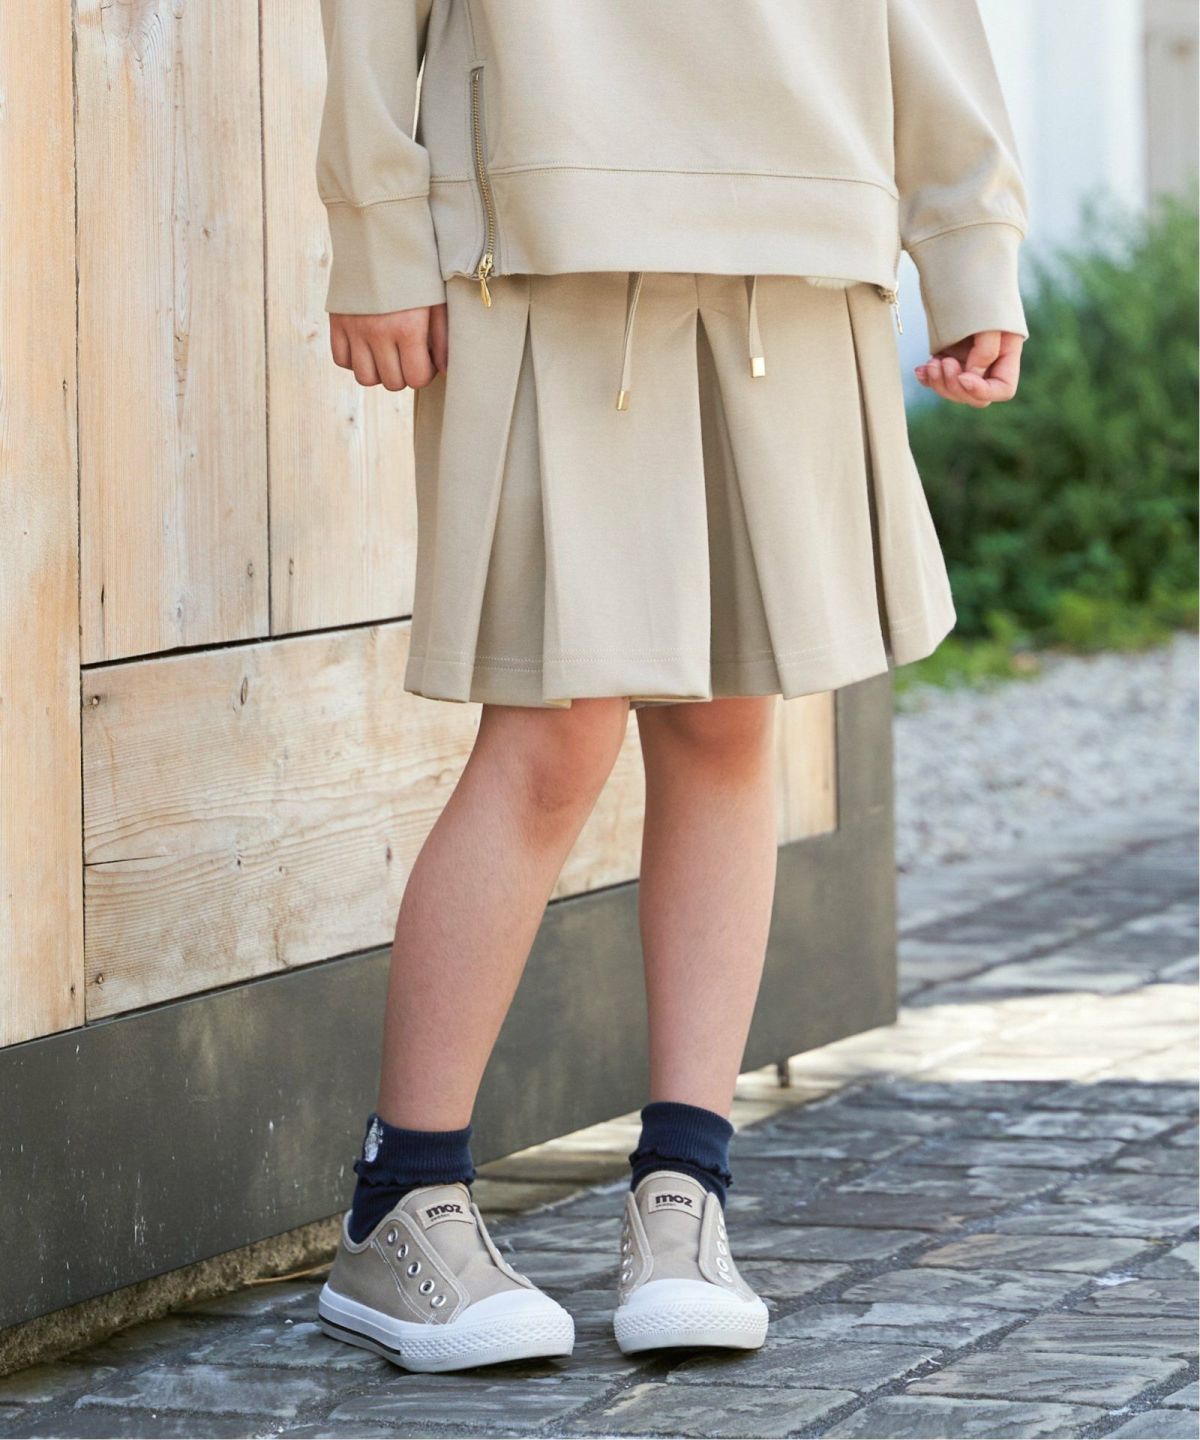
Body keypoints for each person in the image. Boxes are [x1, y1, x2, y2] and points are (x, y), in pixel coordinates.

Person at [311, 0, 1028, 1372]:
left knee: (727, 720)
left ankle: (685, 1192)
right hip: (547, 217)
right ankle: (401, 1206)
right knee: (554, 734)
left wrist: (970, 239)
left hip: (805, 216)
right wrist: (379, 230)